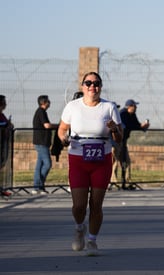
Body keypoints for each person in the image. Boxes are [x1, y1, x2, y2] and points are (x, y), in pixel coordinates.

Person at [57, 72, 123, 256]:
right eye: (88, 83)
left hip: (101, 158)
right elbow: (62, 129)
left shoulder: (109, 107)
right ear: (82, 86)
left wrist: (114, 129)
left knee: (96, 204)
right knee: (79, 205)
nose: (92, 86)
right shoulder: (72, 106)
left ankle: (92, 240)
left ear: (100, 86)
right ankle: (79, 228)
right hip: (78, 157)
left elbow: (119, 137)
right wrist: (63, 138)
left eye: (96, 83)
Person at [111, 99, 149, 190]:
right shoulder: (123, 114)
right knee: (114, 162)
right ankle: (115, 182)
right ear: (129, 106)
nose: (135, 108)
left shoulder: (132, 115)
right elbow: (126, 126)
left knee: (126, 162)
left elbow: (135, 125)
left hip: (123, 142)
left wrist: (143, 127)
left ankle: (127, 182)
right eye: (134, 106)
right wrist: (138, 127)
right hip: (116, 142)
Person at [32, 95, 58, 195]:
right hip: (41, 142)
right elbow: (47, 125)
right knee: (47, 164)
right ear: (43, 102)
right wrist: (59, 126)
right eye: (48, 101)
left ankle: (36, 186)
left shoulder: (41, 112)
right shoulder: (41, 112)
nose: (49, 103)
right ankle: (39, 185)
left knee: (40, 165)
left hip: (42, 142)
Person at [0, 95, 13, 197]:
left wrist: (9, 125)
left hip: (3, 143)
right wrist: (5, 126)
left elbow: (7, 125)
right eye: (4, 102)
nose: (5, 104)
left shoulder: (2, 115)